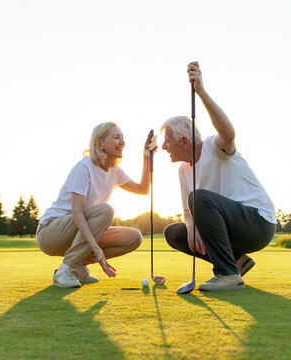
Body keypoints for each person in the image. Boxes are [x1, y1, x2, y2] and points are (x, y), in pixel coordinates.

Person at [161, 62, 276, 291]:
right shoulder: (183, 171)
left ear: (184, 141)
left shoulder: (215, 146)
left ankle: (227, 274)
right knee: (174, 233)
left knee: (199, 198)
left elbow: (229, 133)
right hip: (230, 229)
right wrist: (192, 226)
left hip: (257, 223)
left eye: (168, 141)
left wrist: (201, 91)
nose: (164, 147)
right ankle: (236, 261)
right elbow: (187, 211)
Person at [36, 122, 156, 288]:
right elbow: (78, 212)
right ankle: (66, 268)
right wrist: (97, 250)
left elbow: (143, 189)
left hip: (77, 231)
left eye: (123, 138)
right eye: (116, 137)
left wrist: (147, 156)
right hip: (51, 232)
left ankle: (77, 265)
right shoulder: (84, 166)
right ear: (99, 143)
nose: (122, 141)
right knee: (106, 211)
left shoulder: (116, 171)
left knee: (134, 237)